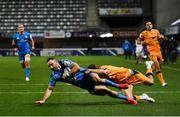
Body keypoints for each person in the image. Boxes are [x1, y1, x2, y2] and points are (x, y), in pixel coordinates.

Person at [35, 58, 137, 105]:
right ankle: (128, 99)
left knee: (97, 78)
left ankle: (118, 86)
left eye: (52, 64)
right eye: (49, 66)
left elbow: (77, 67)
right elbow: (49, 88)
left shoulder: (63, 62)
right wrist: (43, 100)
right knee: (105, 90)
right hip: (83, 85)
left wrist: (69, 75)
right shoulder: (54, 76)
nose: (51, 67)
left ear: (56, 61)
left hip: (86, 74)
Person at [87, 61, 155, 103]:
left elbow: (105, 73)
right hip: (125, 82)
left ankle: (149, 66)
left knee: (151, 82)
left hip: (133, 75)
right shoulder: (100, 75)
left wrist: (90, 71)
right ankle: (143, 97)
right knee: (129, 99)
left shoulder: (104, 70)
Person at [137, 21, 167, 86]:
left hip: (158, 50)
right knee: (156, 64)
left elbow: (159, 39)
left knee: (159, 66)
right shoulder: (143, 33)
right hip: (151, 51)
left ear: (152, 25)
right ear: (145, 26)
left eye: (150, 24)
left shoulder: (156, 31)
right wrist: (142, 42)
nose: (149, 26)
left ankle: (149, 69)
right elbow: (138, 41)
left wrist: (162, 37)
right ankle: (163, 82)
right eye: (147, 25)